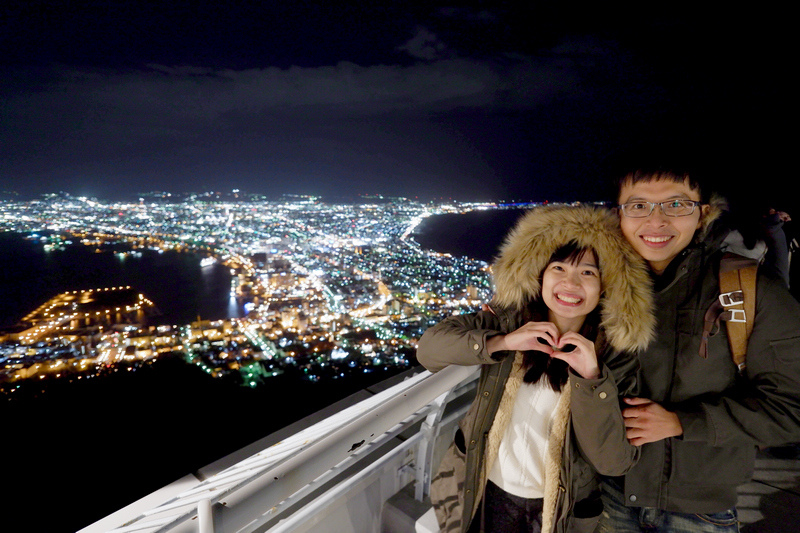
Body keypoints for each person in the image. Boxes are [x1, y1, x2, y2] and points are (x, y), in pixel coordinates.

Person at [417, 205, 655, 533]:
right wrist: (502, 342)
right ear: (540, 274)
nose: (570, 283)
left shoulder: (616, 356)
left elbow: (613, 462)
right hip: (483, 488)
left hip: (557, 508)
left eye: (588, 272)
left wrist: (591, 379)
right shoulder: (507, 319)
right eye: (558, 267)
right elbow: (428, 348)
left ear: (605, 287)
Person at [597, 168, 800, 532]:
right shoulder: (594, 284)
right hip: (605, 498)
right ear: (619, 214)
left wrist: (681, 423)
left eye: (676, 204)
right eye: (639, 205)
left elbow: (791, 408)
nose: (656, 220)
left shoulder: (752, 292)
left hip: (697, 512)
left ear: (703, 212)